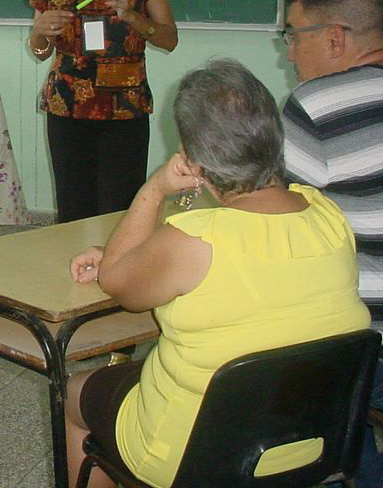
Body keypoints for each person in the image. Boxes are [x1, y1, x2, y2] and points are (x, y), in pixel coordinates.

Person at [65, 59, 368, 488]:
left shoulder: (192, 239)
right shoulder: (328, 216)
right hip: (310, 443)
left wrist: (154, 188)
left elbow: (117, 283)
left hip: (194, 458)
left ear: (194, 157)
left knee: (78, 390)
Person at [280, 0, 383, 488]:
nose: (290, 53)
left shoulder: (315, 105)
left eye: (293, 36)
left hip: (367, 337)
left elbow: (282, 230)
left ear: (335, 38)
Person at [26, 0, 178, 223]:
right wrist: (39, 33)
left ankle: (117, 277)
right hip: (67, 108)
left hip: (125, 108)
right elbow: (41, 51)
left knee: (121, 215)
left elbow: (169, 40)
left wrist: (134, 17)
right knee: (72, 213)